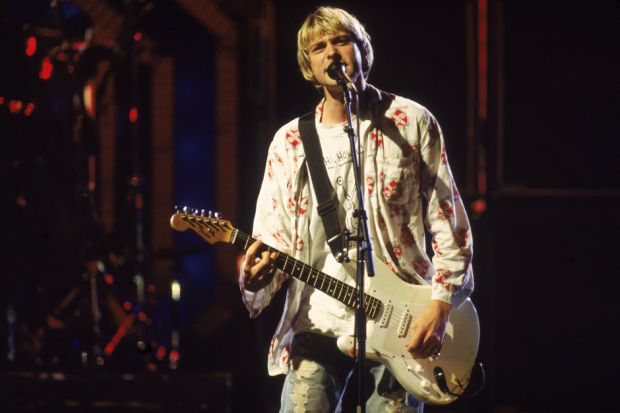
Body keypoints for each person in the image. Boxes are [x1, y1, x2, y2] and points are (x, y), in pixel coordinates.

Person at [239, 6, 473, 413]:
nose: (332, 52)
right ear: (308, 67)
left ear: (363, 50)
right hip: (318, 323)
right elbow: (270, 235)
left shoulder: (410, 121)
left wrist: (441, 304)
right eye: (319, 46)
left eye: (341, 40)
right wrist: (255, 276)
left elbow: (448, 220)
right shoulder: (289, 142)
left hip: (401, 322)